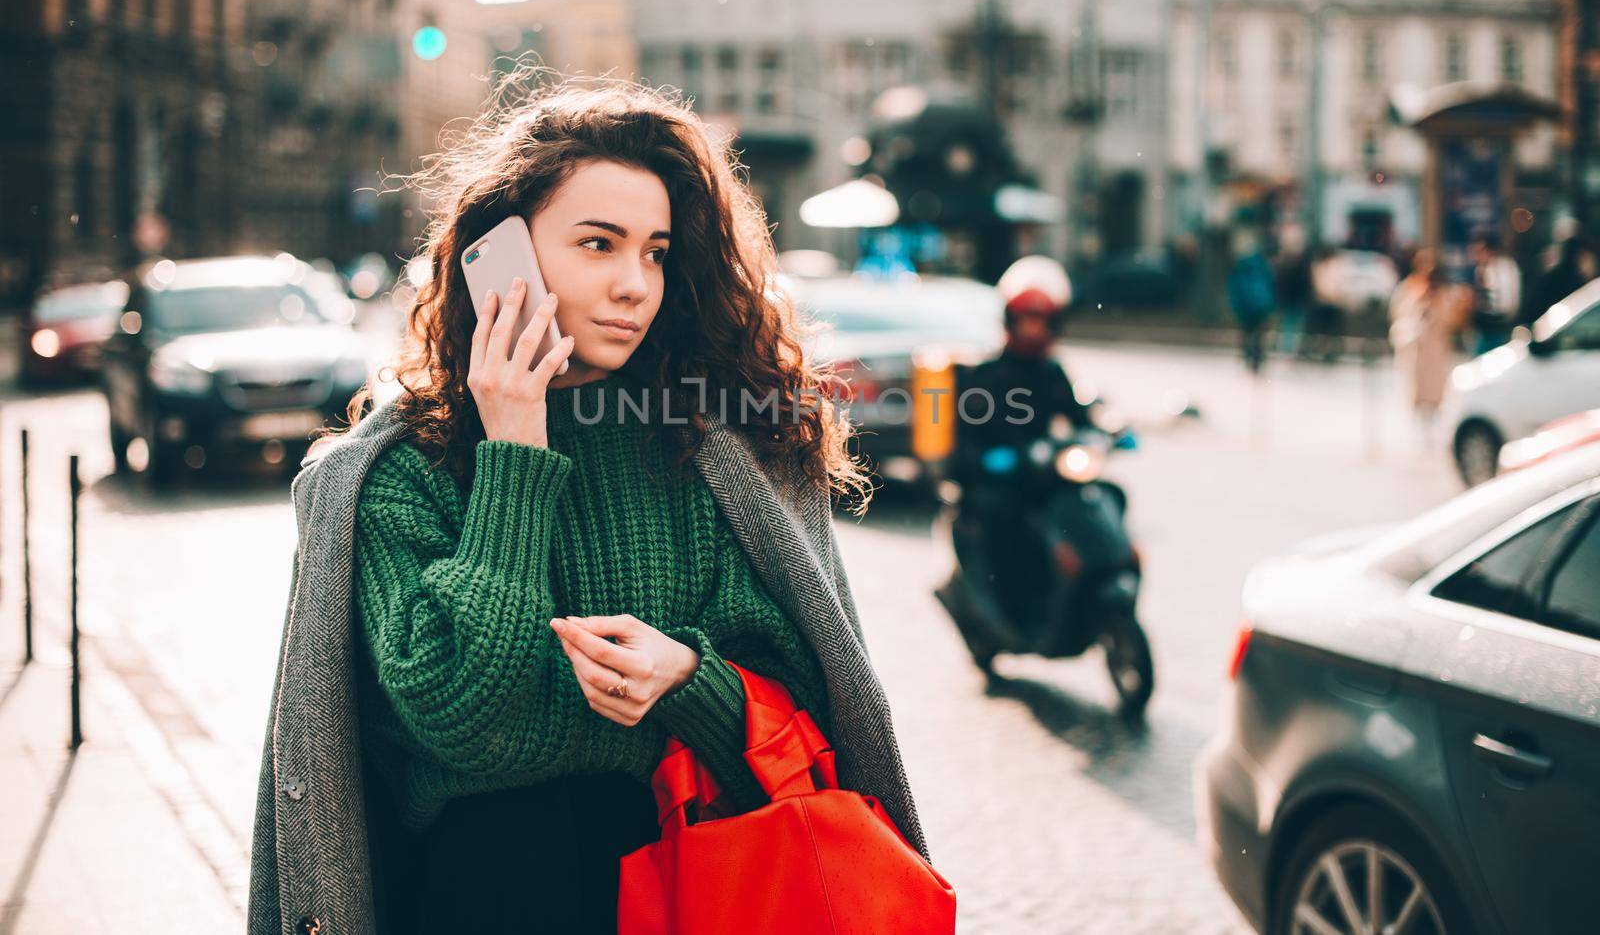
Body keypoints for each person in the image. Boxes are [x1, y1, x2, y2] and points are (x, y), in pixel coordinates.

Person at [247, 79, 930, 935]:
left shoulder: (716, 453)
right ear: (503, 256)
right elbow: (460, 713)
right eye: (599, 244)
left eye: (654, 250)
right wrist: (516, 448)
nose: (634, 283)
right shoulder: (399, 470)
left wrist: (688, 681)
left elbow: (805, 704)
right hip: (476, 899)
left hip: (697, 881)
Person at [940, 256, 1094, 662]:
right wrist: (995, 460)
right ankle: (1017, 609)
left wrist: (1108, 430)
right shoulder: (986, 376)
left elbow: (1079, 415)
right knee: (1007, 523)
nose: (1034, 329)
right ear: (1010, 320)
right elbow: (965, 441)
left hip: (1042, 478)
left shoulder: (1052, 372)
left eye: (1042, 321)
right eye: (1027, 319)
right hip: (996, 485)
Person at [1390, 249, 1466, 448]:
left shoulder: (1443, 294)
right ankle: (1421, 428)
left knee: (1436, 390)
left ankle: (1433, 425)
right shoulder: (1410, 289)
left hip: (1436, 349)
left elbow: (1452, 320)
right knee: (1418, 389)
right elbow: (1400, 315)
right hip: (1418, 350)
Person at [1227, 236, 1277, 373]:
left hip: (1246, 308)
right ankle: (1256, 356)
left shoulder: (1243, 266)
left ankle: (1249, 354)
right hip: (1261, 307)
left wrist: (1235, 305)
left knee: (1248, 333)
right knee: (1259, 334)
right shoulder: (1263, 267)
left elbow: (1234, 287)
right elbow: (1270, 286)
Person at [1468, 233, 1521, 354]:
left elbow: (1510, 300)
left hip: (1500, 326)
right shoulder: (1481, 269)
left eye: (1480, 251)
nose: (1477, 256)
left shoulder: (1505, 267)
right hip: (1484, 326)